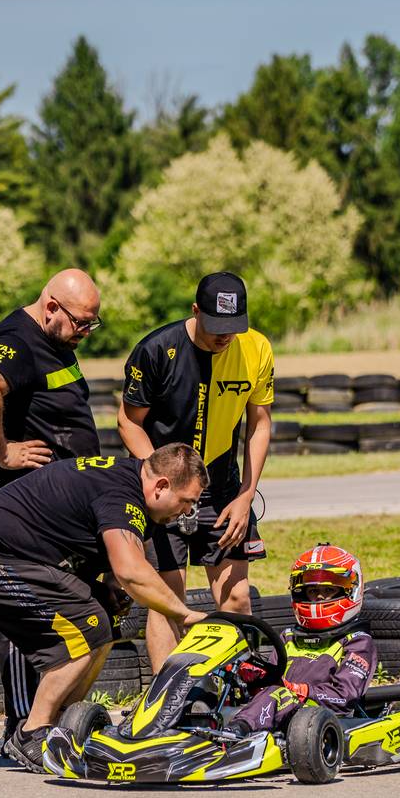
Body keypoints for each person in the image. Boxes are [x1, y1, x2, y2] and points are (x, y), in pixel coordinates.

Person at [0, 444, 210, 772]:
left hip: (12, 558)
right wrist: (181, 612)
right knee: (85, 629)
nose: (187, 512)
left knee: (103, 622)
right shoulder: (122, 496)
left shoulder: (135, 491)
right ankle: (31, 733)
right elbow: (130, 571)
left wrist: (114, 585)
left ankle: (64, 723)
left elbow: (119, 562)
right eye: (187, 502)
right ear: (162, 486)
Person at [0, 269, 104, 749]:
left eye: (92, 325)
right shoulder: (17, 340)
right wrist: (5, 452)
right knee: (31, 617)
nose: (86, 333)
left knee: (69, 608)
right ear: (50, 308)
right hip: (17, 512)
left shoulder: (54, 341)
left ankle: (53, 718)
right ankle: (22, 727)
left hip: (53, 509)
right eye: (82, 323)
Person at [118, 272, 274, 670]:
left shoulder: (256, 349)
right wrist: (160, 484)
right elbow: (129, 422)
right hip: (165, 489)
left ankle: (239, 693)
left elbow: (259, 424)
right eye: (217, 327)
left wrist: (245, 495)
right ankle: (162, 703)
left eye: (233, 328)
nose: (225, 337)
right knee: (168, 600)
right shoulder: (156, 350)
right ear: (195, 311)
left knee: (237, 597)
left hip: (222, 490)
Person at [228, 544, 376, 736]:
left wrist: (300, 690)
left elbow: (344, 696)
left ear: (350, 591)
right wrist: (253, 677)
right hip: (280, 709)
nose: (320, 596)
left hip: (322, 718)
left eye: (328, 590)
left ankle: (235, 733)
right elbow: (273, 680)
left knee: (279, 694)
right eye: (312, 591)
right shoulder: (289, 636)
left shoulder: (357, 642)